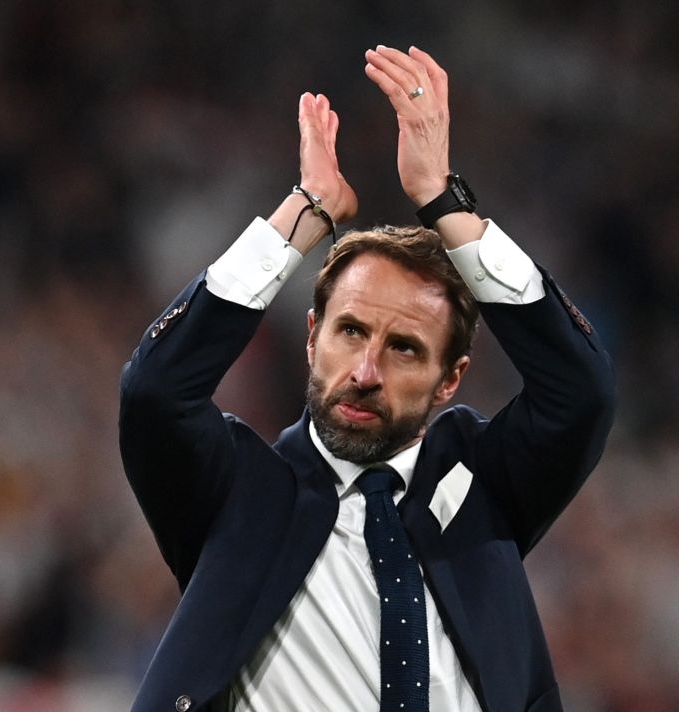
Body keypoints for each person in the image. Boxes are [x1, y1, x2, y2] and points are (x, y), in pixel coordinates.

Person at [118, 45, 615, 712]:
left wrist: (444, 201)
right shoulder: (236, 492)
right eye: (350, 331)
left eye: (406, 349)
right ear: (312, 335)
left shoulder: (486, 488)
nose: (366, 371)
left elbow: (579, 391)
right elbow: (156, 391)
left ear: (450, 380)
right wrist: (306, 213)